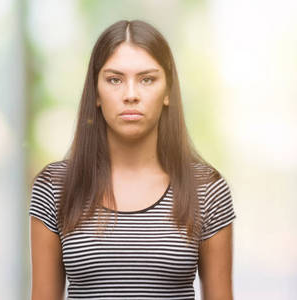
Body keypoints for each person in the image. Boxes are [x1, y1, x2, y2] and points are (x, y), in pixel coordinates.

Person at [28, 20, 236, 300]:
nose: (130, 95)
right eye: (115, 79)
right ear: (96, 93)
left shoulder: (206, 189)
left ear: (167, 92)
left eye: (147, 79)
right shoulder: (55, 187)